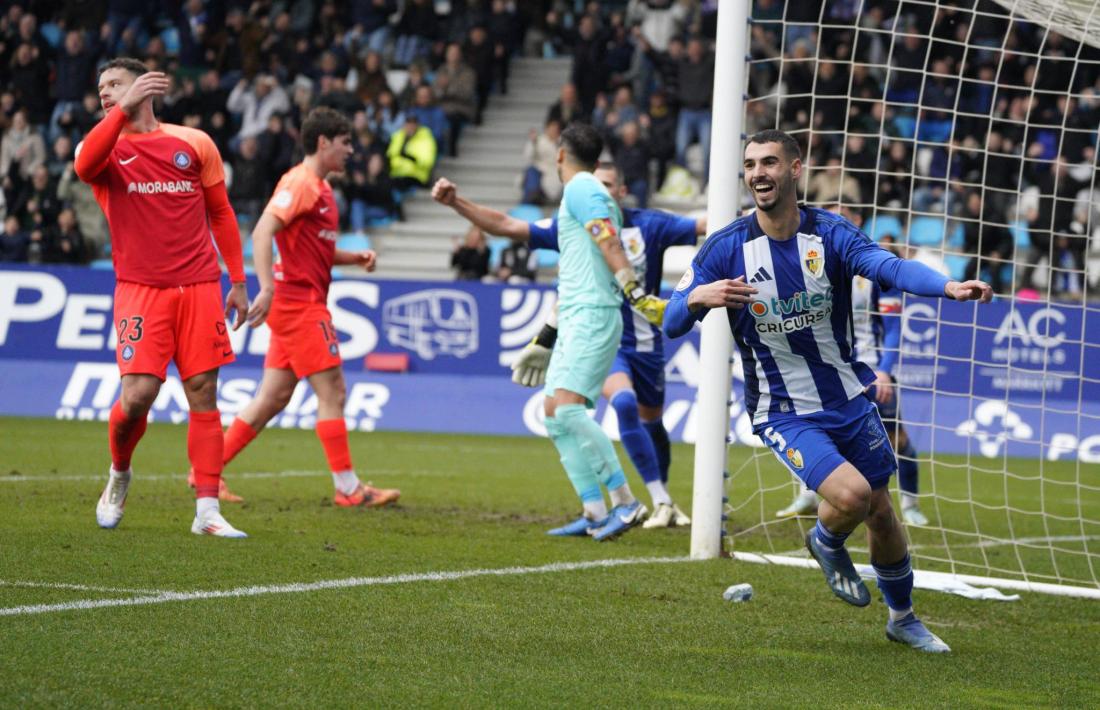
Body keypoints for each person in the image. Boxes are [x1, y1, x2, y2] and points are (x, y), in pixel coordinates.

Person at [665, 129, 993, 652]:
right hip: (783, 410)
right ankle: (825, 539)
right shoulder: (726, 248)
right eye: (750, 164)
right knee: (855, 497)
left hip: (846, 395)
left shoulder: (832, 235)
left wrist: (948, 286)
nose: (758, 174)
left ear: (796, 169)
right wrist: (700, 296)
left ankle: (903, 618)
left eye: (769, 162)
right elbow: (671, 321)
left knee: (882, 513)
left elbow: (888, 267)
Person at [433, 147, 687, 536]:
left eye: (605, 187)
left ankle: (645, 498)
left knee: (622, 416)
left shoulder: (643, 225)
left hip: (622, 330)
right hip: (592, 329)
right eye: (594, 184)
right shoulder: (572, 223)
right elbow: (505, 224)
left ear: (619, 192)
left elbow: (702, 224)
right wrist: (457, 203)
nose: (596, 192)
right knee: (560, 411)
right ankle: (597, 509)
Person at [75, 58, 250, 538]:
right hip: (140, 289)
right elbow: (84, 164)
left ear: (144, 87)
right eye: (101, 86)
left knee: (203, 392)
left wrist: (237, 280)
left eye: (116, 83)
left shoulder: (194, 143)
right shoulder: (103, 147)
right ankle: (119, 473)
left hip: (198, 287)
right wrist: (120, 110)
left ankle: (207, 510)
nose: (106, 92)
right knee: (138, 397)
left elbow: (221, 212)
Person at [209, 107, 401, 510]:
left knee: (273, 397)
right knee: (333, 390)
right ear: (323, 142)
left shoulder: (322, 189)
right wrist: (264, 288)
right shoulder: (301, 183)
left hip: (299, 302)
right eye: (346, 142)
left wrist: (354, 259)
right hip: (298, 304)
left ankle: (205, 472)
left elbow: (317, 250)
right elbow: (262, 231)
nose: (352, 150)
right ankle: (348, 489)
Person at [777, 204, 930, 528]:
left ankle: (911, 505)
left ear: (858, 221)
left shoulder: (873, 268)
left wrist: (885, 369)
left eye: (844, 214)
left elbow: (891, 327)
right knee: (815, 433)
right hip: (831, 370)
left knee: (896, 441)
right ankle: (807, 498)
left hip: (872, 370)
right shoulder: (808, 265)